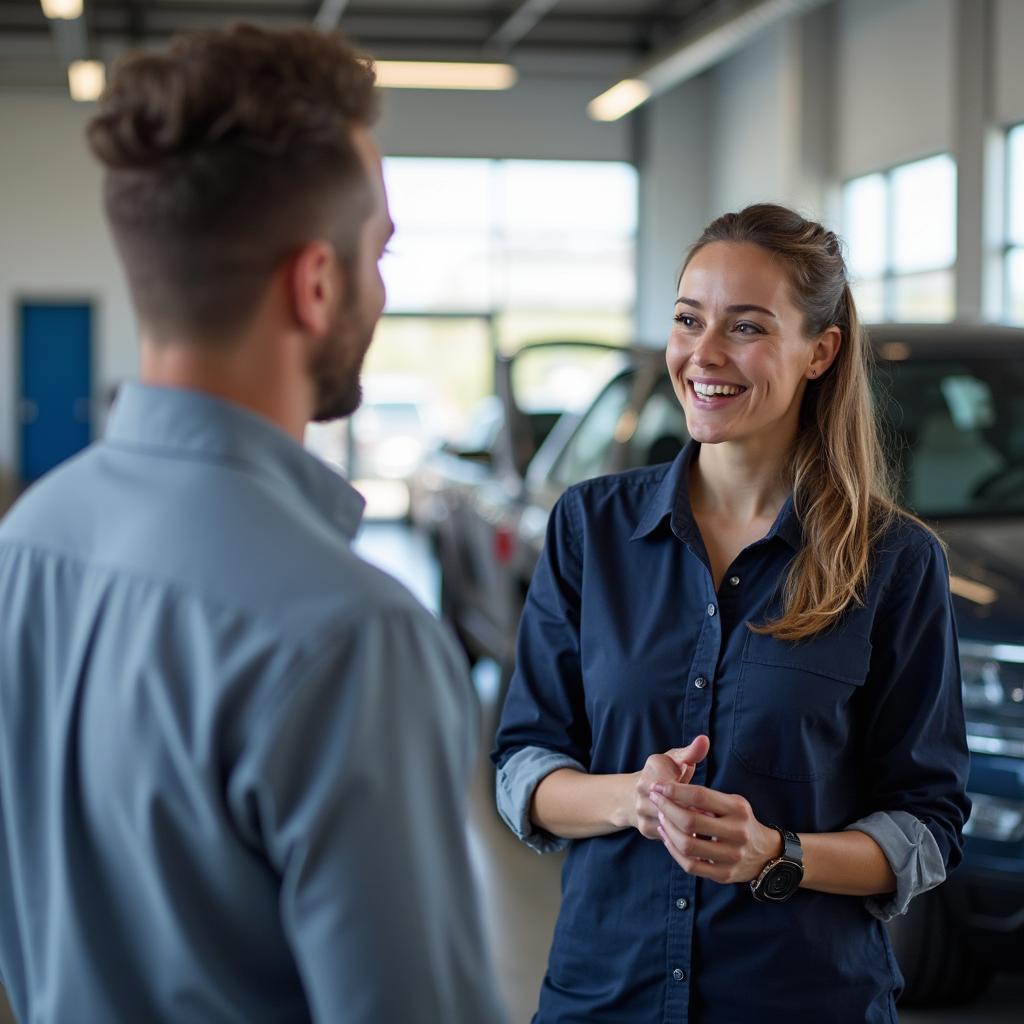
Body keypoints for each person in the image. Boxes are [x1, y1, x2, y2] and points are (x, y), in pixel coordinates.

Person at [0, 25, 505, 1024]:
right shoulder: (352, 637)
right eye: (380, 252)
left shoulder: (28, 545)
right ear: (316, 283)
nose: (384, 286)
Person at [493, 204, 971, 1023]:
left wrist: (776, 853)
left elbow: (927, 828)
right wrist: (629, 800)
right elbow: (521, 770)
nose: (703, 355)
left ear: (820, 352)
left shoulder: (896, 560)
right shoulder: (589, 528)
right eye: (689, 320)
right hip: (606, 995)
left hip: (804, 1000)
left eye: (745, 328)